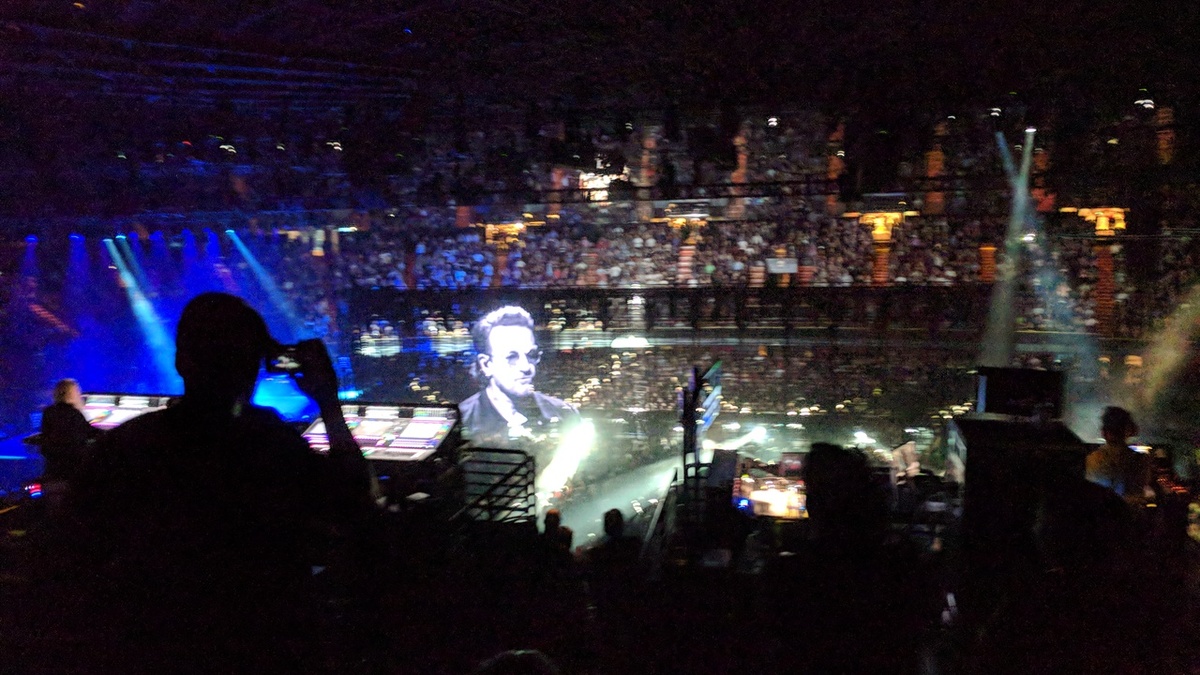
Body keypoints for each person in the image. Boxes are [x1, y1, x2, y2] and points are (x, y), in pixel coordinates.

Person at [63, 292, 373, 672]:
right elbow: (354, 500)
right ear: (254, 367)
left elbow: (70, 556)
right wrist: (328, 402)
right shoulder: (271, 443)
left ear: (181, 361)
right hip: (268, 647)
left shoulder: (124, 445)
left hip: (154, 648)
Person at [459, 306, 578, 445]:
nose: (526, 367)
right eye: (511, 357)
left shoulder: (565, 413)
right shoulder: (462, 418)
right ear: (486, 364)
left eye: (532, 355)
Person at [38, 378, 101, 485]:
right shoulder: (74, 414)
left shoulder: (48, 412)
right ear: (72, 394)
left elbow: (45, 436)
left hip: (53, 467)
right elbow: (91, 433)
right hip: (73, 468)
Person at [1086, 406, 1151, 505]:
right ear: (1129, 430)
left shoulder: (1093, 459)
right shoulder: (1140, 460)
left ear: (1104, 432)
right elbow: (1140, 490)